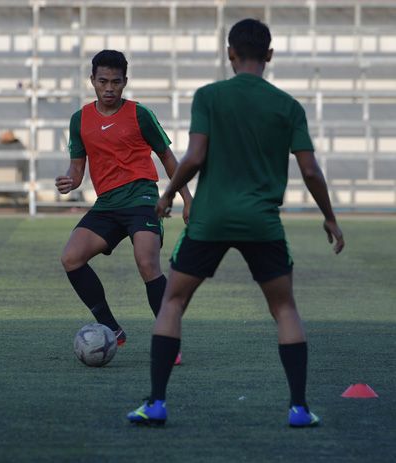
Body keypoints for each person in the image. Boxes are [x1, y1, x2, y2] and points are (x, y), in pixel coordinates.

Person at [126, 19, 344, 428]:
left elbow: (194, 157)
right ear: (270, 55)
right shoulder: (288, 106)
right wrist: (329, 217)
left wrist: (169, 193)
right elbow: (311, 171)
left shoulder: (209, 96)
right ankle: (298, 408)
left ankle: (156, 403)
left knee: (172, 302)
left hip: (210, 219)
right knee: (284, 308)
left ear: (230, 53)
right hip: (262, 222)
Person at [56, 50, 192, 361]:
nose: (109, 88)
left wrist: (187, 199)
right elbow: (77, 169)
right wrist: (69, 181)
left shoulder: (140, 114)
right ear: (92, 80)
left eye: (116, 82)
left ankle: (169, 340)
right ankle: (111, 329)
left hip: (142, 198)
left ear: (125, 82)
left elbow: (168, 158)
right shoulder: (79, 120)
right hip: (107, 204)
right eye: (103, 81)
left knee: (147, 263)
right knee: (71, 258)